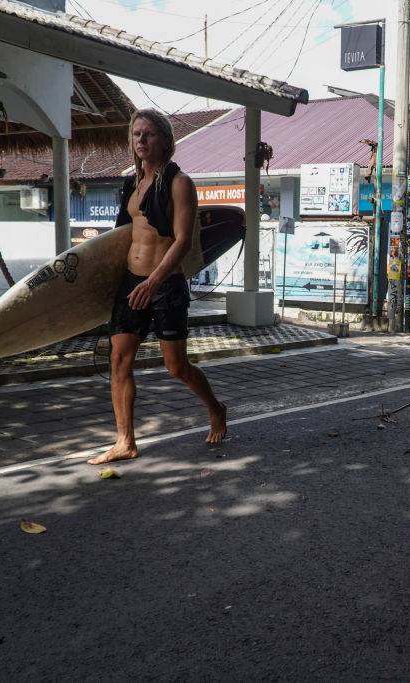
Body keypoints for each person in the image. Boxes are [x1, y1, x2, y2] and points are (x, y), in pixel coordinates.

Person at [88, 109, 227, 465]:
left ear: (165, 140)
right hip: (132, 283)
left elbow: (181, 241)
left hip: (164, 284)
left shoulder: (180, 183)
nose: (141, 140)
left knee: (176, 367)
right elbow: (121, 237)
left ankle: (215, 407)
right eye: (136, 134)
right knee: (119, 360)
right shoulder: (131, 184)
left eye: (149, 134)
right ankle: (125, 441)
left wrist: (153, 281)